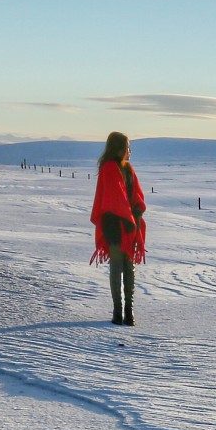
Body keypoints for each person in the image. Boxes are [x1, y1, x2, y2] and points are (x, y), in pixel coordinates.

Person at [89, 132, 146, 326]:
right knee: (117, 265)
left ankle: (128, 312)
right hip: (115, 225)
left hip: (130, 224)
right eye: (128, 147)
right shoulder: (109, 168)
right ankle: (118, 310)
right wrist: (128, 217)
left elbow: (136, 195)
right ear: (119, 148)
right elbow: (114, 198)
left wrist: (136, 213)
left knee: (128, 266)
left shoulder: (128, 169)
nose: (130, 151)